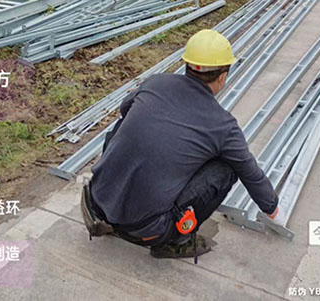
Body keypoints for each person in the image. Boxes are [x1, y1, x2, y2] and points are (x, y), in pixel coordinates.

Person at [81, 29, 279, 261]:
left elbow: (124, 109)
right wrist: (272, 208)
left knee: (126, 124)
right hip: (148, 229)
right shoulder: (222, 125)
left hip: (97, 203)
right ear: (223, 77)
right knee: (227, 168)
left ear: (186, 64)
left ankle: (111, 213)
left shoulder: (155, 83)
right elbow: (250, 172)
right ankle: (174, 241)